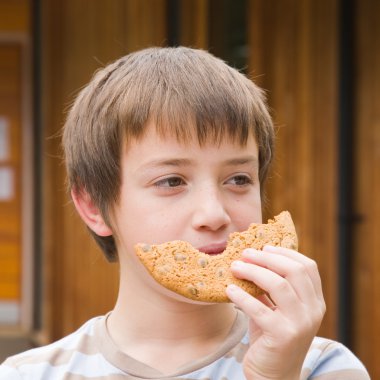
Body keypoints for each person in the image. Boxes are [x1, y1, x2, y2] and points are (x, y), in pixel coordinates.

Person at [0, 47, 369, 380]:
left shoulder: (324, 367)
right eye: (171, 181)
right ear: (94, 206)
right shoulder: (28, 374)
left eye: (239, 178)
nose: (214, 214)